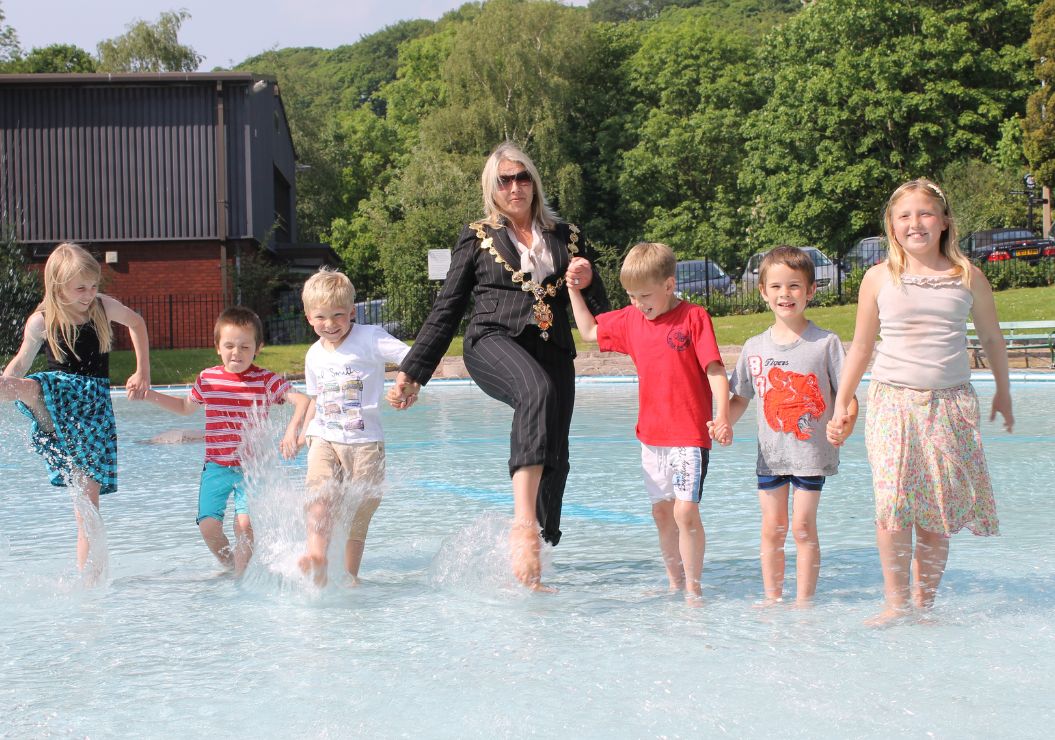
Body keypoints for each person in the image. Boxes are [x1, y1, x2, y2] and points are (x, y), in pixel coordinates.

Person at [387, 141, 609, 590]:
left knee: (557, 455)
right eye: (504, 180)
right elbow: (446, 308)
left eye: (522, 177)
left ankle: (535, 565)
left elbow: (601, 308)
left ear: (534, 183)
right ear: (492, 188)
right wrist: (413, 371)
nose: (515, 187)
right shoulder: (477, 236)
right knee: (535, 392)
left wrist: (587, 279)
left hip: (553, 348)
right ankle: (523, 528)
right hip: (492, 340)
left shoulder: (568, 235)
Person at [826, 178, 1013, 625]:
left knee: (936, 510)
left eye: (925, 213)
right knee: (892, 505)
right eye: (905, 215)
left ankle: (923, 604)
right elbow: (861, 346)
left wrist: (1004, 390)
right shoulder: (878, 278)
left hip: (951, 406)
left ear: (945, 221)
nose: (916, 223)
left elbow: (990, 336)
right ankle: (895, 604)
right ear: (891, 225)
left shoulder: (967, 275)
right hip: (893, 402)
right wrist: (843, 401)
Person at [567, 242, 730, 602]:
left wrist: (721, 415)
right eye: (631, 296)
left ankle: (693, 588)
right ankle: (674, 581)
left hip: (689, 434)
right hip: (652, 437)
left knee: (685, 511)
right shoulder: (631, 319)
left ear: (669, 286)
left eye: (644, 296)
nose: (638, 304)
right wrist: (574, 292)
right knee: (661, 513)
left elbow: (715, 370)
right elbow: (590, 332)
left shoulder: (693, 317)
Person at [1, 242, 151, 576]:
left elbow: (137, 323)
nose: (88, 294)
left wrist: (143, 372)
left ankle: (90, 582)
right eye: (80, 288)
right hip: (60, 396)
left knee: (87, 506)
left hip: (93, 412)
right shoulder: (42, 320)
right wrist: (8, 381)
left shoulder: (101, 307)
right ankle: (21, 393)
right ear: (57, 287)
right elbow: (23, 360)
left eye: (93, 286)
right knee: (38, 384)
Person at [726, 246, 858, 606]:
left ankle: (804, 602)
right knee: (772, 529)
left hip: (811, 454)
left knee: (801, 527)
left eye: (795, 286)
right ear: (764, 292)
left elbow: (847, 397)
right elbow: (740, 397)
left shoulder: (825, 343)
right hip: (771, 456)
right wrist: (724, 421)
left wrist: (844, 424)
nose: (786, 294)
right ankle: (772, 599)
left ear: (811, 291)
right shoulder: (754, 347)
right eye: (777, 287)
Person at [136, 306, 309, 575]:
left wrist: (291, 431)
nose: (236, 353)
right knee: (208, 526)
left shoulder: (264, 380)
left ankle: (242, 581)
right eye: (229, 345)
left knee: (244, 525)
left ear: (257, 348)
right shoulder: (208, 379)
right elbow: (184, 407)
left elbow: (302, 400)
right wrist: (149, 395)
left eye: (244, 346)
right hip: (216, 467)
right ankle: (232, 569)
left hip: (252, 470)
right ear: (218, 347)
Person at [287, 268, 410, 587]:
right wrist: (303, 433)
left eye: (338, 315)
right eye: (321, 317)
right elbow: (315, 397)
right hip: (323, 437)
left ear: (352, 312)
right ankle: (317, 556)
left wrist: (405, 383)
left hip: (365, 443)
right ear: (308, 316)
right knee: (319, 493)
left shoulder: (369, 338)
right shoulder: (313, 354)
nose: (330, 324)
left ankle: (350, 575)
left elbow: (410, 355)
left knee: (359, 511)